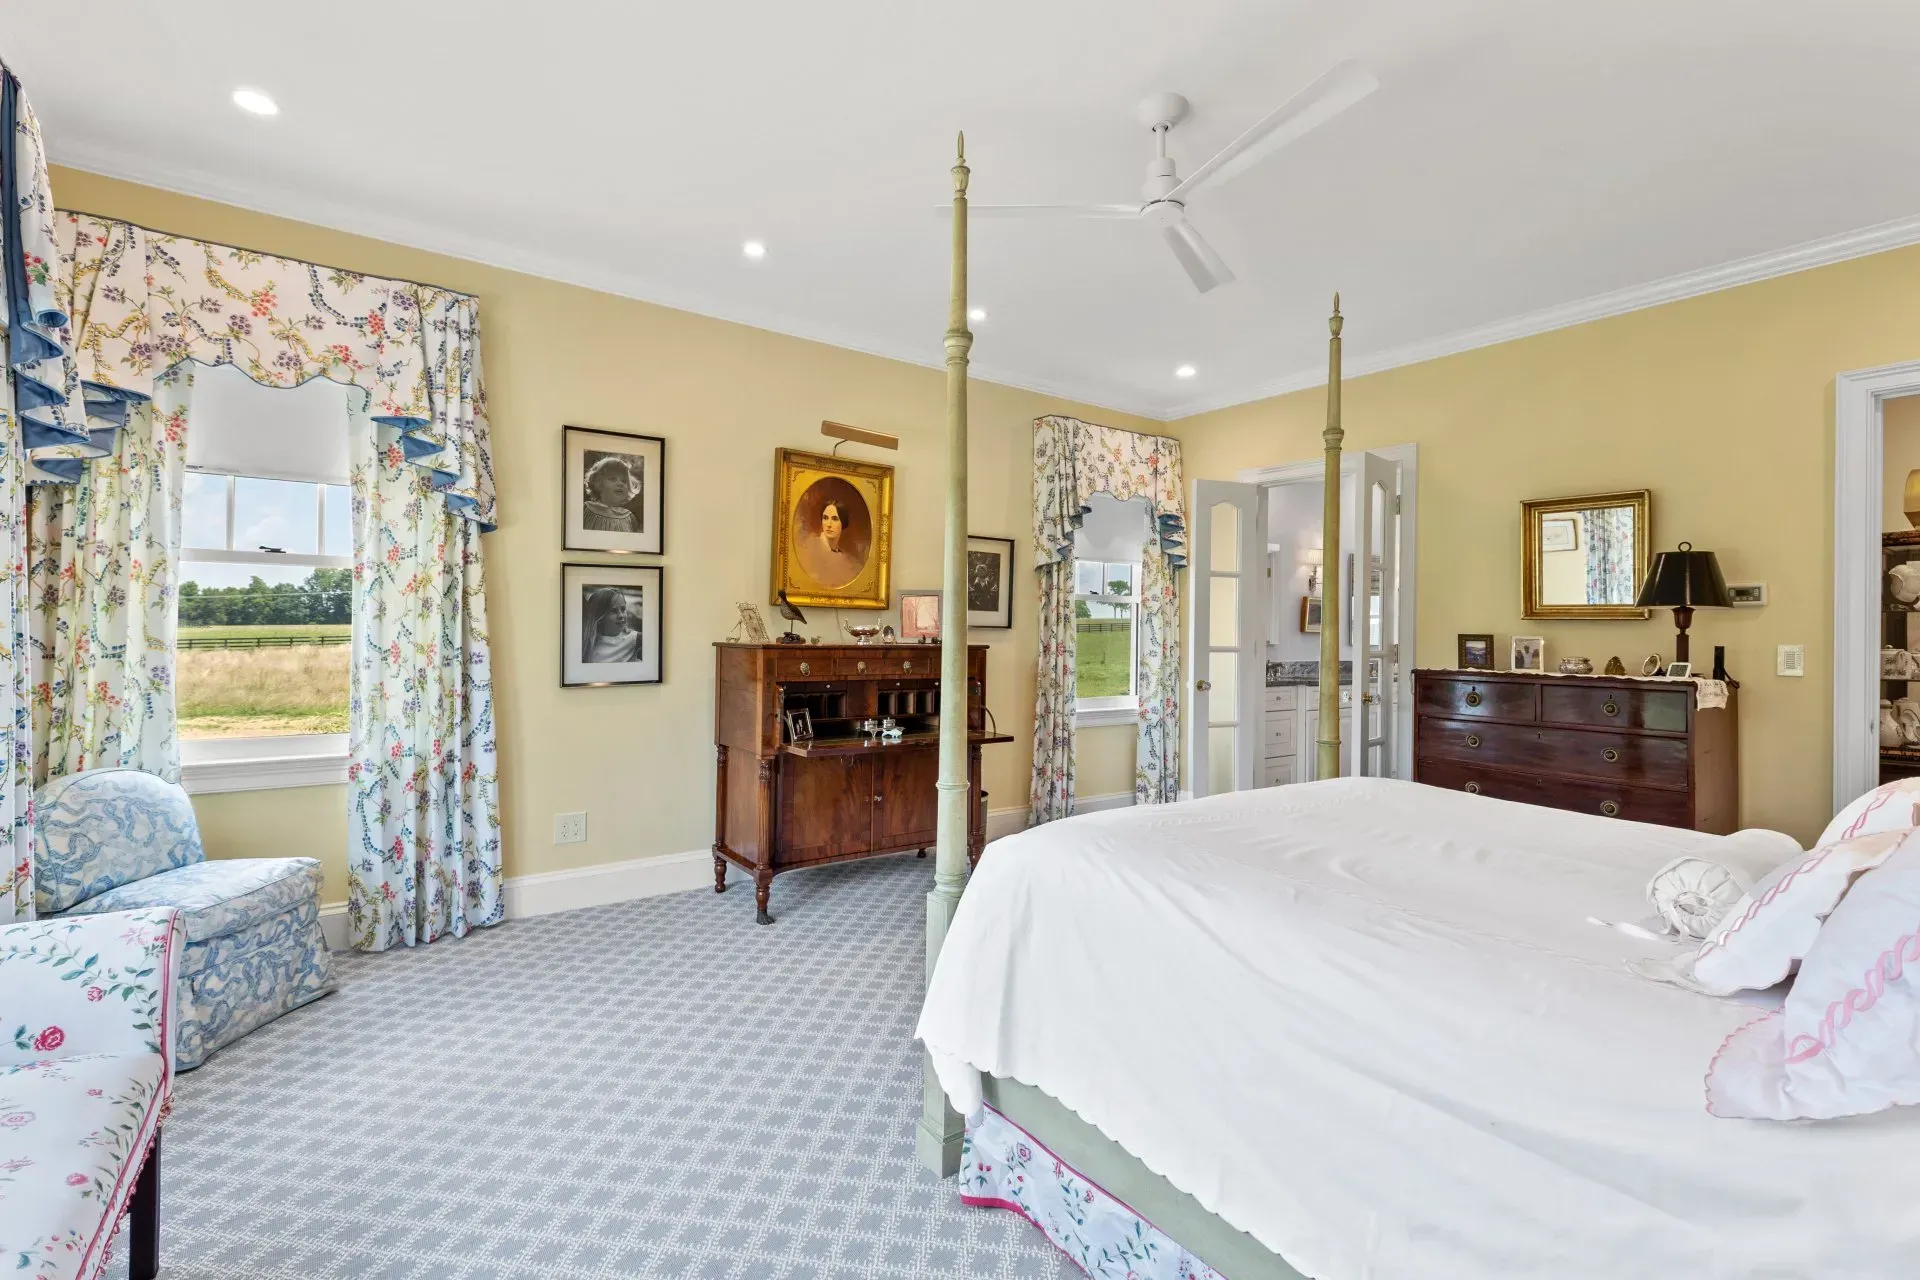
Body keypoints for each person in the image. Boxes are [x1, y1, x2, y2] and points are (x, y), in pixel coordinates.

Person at [796, 497, 864, 589]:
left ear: (843, 523)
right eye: (825, 518)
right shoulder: (809, 547)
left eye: (835, 519)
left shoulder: (849, 562)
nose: (829, 524)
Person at [582, 587, 641, 663]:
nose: (621, 615)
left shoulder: (634, 639)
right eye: (613, 611)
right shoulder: (588, 645)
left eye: (623, 609)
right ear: (599, 617)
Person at [582, 456, 639, 533]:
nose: (620, 484)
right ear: (598, 483)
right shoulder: (585, 509)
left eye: (624, 481)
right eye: (613, 479)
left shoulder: (629, 518)